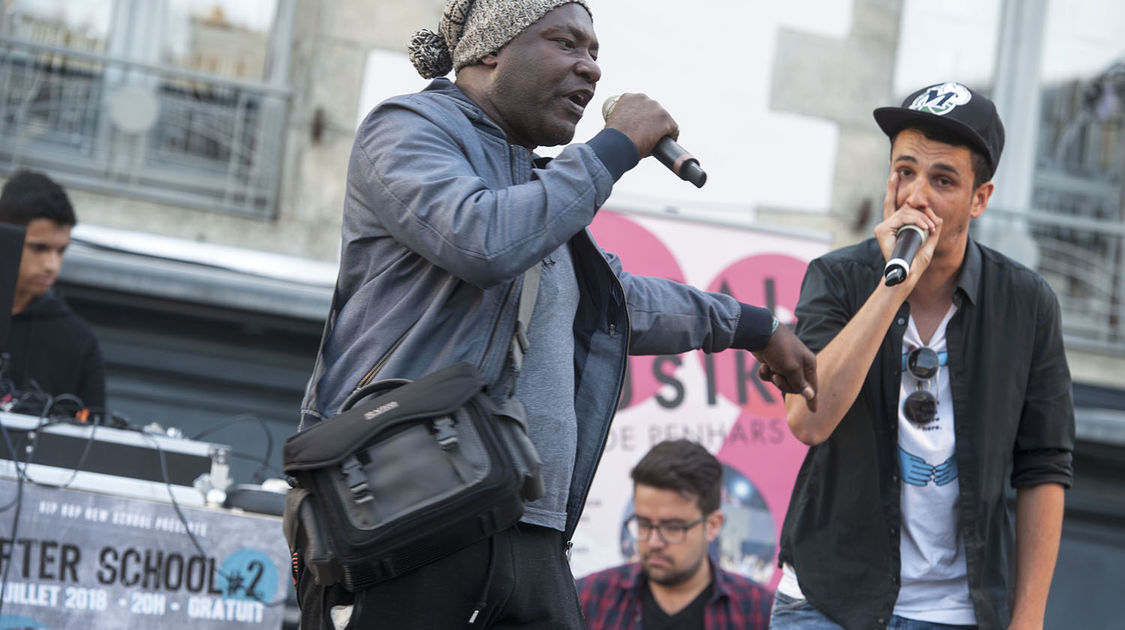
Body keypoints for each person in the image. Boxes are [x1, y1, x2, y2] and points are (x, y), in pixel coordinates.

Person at [294, 0, 817, 627]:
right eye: (567, 43)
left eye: (595, 53)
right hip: (409, 516)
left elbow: (618, 303)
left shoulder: (542, 194)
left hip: (529, 529)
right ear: (491, 49)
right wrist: (615, 148)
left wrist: (754, 327)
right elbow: (481, 240)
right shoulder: (408, 129)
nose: (591, 69)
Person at [767, 82, 1075, 630]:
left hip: (959, 612)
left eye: (943, 180)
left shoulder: (1027, 303)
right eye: (905, 171)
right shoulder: (837, 279)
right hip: (829, 602)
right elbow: (809, 420)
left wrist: (1028, 619)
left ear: (980, 199)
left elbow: (1044, 465)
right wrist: (893, 288)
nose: (916, 196)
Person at [576, 439, 771, 629]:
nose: (654, 542)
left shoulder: (758, 609)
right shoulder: (588, 599)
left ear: (712, 525)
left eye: (673, 528)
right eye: (644, 524)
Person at [0, 170, 106, 415]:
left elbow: (94, 436)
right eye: (39, 248)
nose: (52, 265)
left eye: (61, 251)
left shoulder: (78, 341)